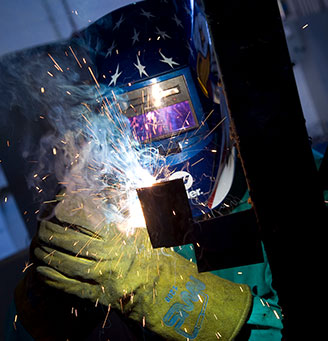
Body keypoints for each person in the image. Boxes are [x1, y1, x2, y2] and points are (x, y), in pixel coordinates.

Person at [3, 0, 284, 340]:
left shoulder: (294, 180)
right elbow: (47, 326)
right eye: (129, 125)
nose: (154, 141)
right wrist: (53, 281)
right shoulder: (118, 211)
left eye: (169, 114)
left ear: (210, 86)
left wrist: (162, 289)